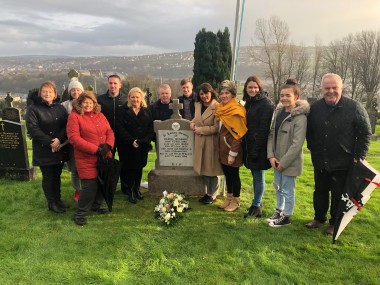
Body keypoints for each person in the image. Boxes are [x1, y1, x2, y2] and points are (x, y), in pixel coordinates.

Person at [306, 73, 371, 235]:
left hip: (343, 161)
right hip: (320, 159)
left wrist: (358, 157)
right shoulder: (315, 108)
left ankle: (334, 222)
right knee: (320, 191)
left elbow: (365, 133)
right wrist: (313, 148)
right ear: (322, 89)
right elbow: (310, 132)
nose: (331, 91)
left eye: (334, 88)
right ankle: (318, 218)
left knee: (338, 194)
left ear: (341, 88)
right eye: (327, 88)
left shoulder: (354, 107)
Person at [67, 91, 115, 225]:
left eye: (91, 102)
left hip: (104, 156)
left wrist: (108, 146)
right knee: (90, 186)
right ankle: (79, 214)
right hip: (86, 158)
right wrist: (95, 149)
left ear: (94, 104)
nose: (88, 105)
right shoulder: (74, 117)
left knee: (102, 183)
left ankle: (96, 206)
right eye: (85, 102)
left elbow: (109, 131)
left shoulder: (100, 115)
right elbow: (74, 138)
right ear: (80, 103)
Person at [266, 79, 309, 227]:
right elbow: (272, 133)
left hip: (289, 162)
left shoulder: (300, 117)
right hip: (276, 160)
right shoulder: (279, 112)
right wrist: (271, 156)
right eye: (281, 95)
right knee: (278, 186)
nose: (284, 98)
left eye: (287, 95)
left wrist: (283, 163)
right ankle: (279, 210)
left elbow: (297, 144)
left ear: (296, 97)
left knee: (288, 190)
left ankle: (287, 216)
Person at [25, 81, 68, 213]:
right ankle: (51, 203)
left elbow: (67, 125)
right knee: (48, 176)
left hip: (59, 147)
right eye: (44, 91)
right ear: (40, 93)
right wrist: (51, 141)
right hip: (44, 148)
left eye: (50, 91)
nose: (47, 94)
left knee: (57, 175)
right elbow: (33, 129)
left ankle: (58, 200)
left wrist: (59, 139)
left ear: (55, 94)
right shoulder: (33, 109)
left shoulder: (60, 108)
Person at [242, 75, 275, 218]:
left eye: (255, 87)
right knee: (255, 175)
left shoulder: (266, 104)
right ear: (246, 88)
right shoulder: (249, 103)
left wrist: (255, 149)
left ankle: (256, 207)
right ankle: (257, 202)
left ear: (260, 88)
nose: (253, 89)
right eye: (250, 87)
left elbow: (263, 130)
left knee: (259, 175)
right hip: (250, 145)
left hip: (259, 146)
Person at [115, 87, 154, 204]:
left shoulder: (146, 111)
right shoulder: (122, 111)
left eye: (137, 97)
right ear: (129, 98)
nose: (135, 99)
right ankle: (130, 191)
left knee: (139, 168)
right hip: (127, 146)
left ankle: (137, 189)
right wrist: (132, 141)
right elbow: (120, 128)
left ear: (141, 98)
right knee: (129, 169)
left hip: (142, 146)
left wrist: (143, 141)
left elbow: (150, 128)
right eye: (133, 97)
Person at [215, 80, 247, 212]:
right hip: (223, 149)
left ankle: (236, 200)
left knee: (234, 175)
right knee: (227, 175)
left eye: (227, 93)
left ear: (232, 94)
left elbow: (238, 135)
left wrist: (232, 154)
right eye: (221, 93)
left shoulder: (236, 110)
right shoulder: (221, 109)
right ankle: (228, 198)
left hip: (232, 150)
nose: (223, 96)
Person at [190, 83, 223, 204]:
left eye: (206, 93)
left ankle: (213, 194)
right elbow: (197, 118)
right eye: (201, 94)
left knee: (211, 169)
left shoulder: (218, 107)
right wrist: (192, 123)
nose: (204, 96)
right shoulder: (198, 105)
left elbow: (216, 127)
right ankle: (207, 193)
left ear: (211, 93)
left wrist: (201, 130)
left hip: (211, 141)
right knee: (203, 167)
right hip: (200, 141)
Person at [97, 74, 127, 194]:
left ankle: (125, 187)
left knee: (124, 161)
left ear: (120, 85)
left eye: (115, 83)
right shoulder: (100, 100)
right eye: (110, 83)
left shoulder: (126, 99)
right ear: (107, 84)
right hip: (107, 138)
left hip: (123, 137)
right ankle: (109, 187)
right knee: (108, 162)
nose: (113, 85)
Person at [61, 77, 84, 202]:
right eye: (73, 90)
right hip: (71, 143)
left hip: (86, 141)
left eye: (78, 90)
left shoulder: (87, 103)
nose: (76, 93)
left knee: (85, 168)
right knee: (75, 169)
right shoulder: (64, 106)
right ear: (70, 92)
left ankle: (87, 190)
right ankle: (78, 190)